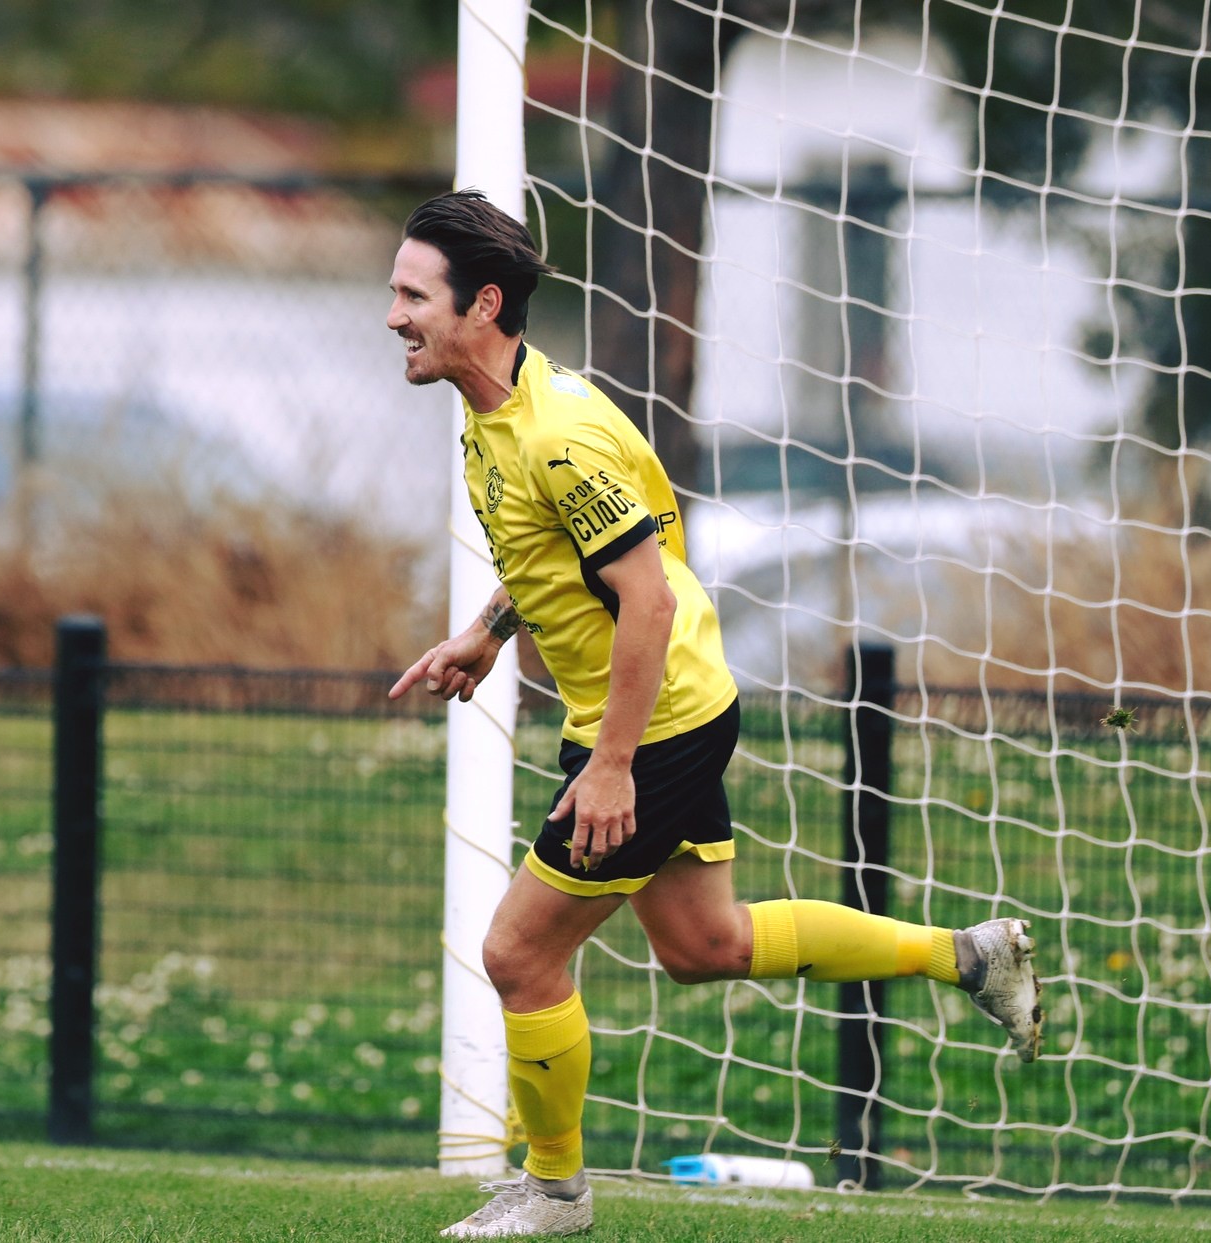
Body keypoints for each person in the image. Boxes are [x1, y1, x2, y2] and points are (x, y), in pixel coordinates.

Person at [386, 189, 1045, 1238]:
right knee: (704, 944)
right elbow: (554, 561)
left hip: (651, 729)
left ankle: (554, 1193)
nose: (392, 316)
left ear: (483, 306)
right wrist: (486, 632)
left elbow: (644, 599)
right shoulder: (490, 419)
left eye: (411, 295)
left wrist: (610, 767)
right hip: (657, 714)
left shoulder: (559, 434)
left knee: (517, 954)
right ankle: (965, 956)